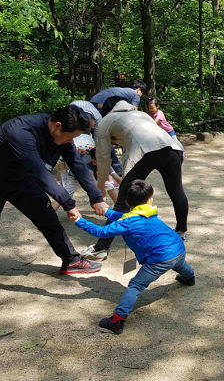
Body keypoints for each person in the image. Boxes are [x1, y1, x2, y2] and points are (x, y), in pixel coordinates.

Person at [72, 180, 195, 334]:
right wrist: (107, 211)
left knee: (135, 286)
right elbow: (126, 217)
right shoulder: (149, 211)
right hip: (178, 248)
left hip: (159, 260)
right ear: (149, 200)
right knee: (179, 264)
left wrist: (79, 220)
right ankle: (189, 277)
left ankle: (117, 320)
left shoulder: (128, 222)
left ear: (126, 201)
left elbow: (101, 232)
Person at [0, 105, 108, 274]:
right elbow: (40, 173)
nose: (71, 141)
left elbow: (77, 164)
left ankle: (71, 260)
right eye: (72, 137)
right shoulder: (21, 132)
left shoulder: (62, 134)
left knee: (47, 216)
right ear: (58, 125)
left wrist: (96, 197)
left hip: (20, 179)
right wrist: (69, 204)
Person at [81, 100, 188, 261]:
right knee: (176, 191)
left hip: (145, 152)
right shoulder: (141, 114)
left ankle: (101, 248)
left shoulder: (106, 121)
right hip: (172, 149)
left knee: (122, 200)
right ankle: (181, 231)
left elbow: (102, 158)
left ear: (108, 111)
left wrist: (101, 184)